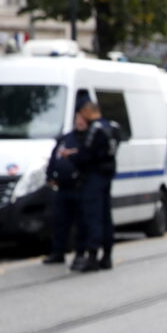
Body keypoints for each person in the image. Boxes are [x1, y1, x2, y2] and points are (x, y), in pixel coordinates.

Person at [69, 98, 118, 273]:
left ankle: (92, 256)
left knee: (92, 217)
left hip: (93, 177)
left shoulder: (95, 129)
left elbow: (86, 154)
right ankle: (107, 255)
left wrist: (72, 156)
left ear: (86, 111)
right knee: (105, 216)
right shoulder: (112, 127)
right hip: (106, 176)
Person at [43, 113, 88, 267]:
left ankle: (80, 253)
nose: (80, 122)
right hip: (63, 187)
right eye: (78, 119)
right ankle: (58, 252)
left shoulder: (88, 139)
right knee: (60, 221)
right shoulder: (66, 138)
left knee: (81, 223)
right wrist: (50, 175)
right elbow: (54, 157)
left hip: (80, 187)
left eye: (83, 120)